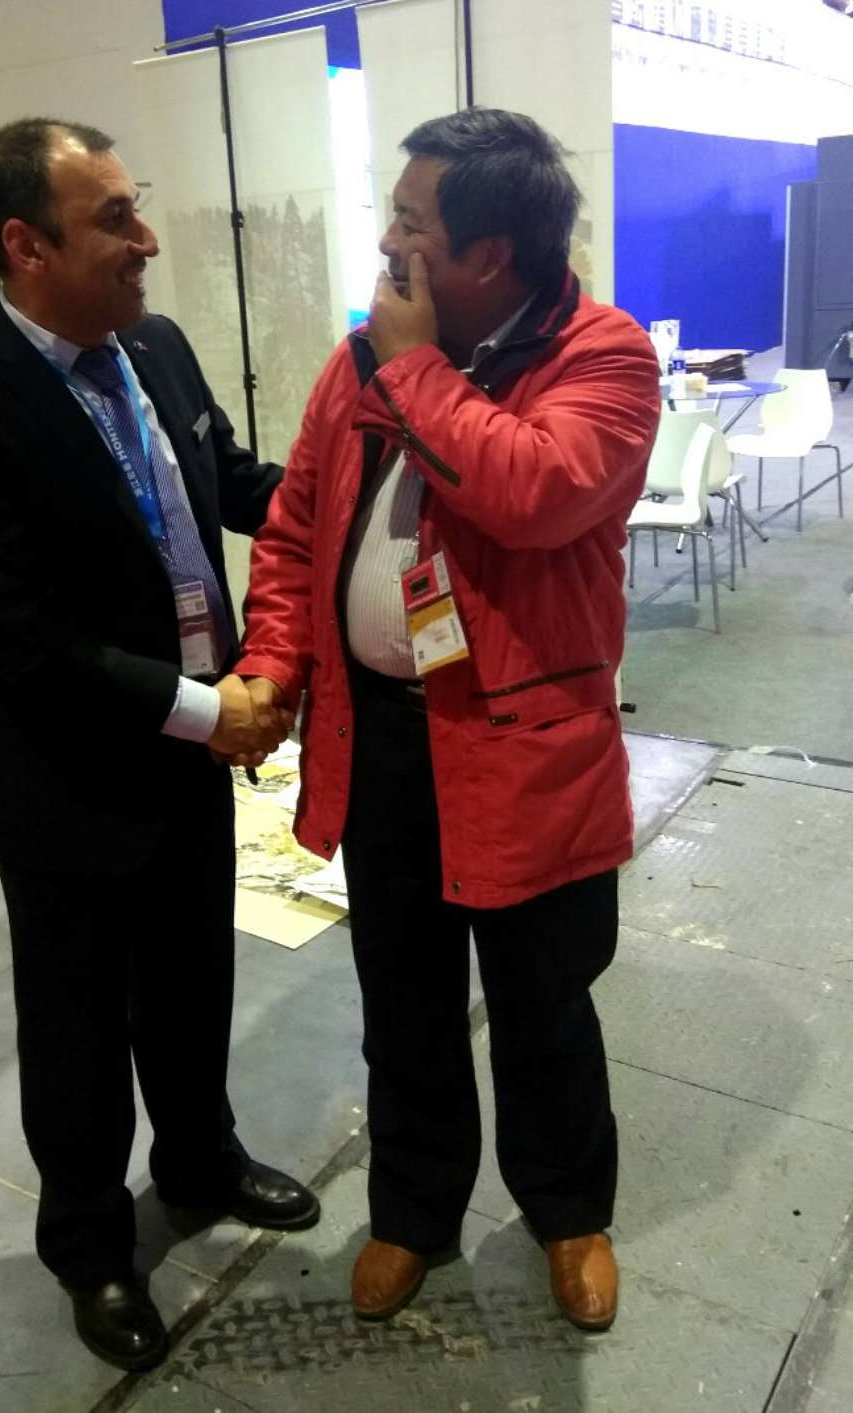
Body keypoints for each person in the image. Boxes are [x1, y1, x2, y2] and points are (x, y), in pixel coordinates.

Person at [0, 118, 318, 1372]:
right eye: (115, 220)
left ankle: (200, 1162)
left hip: (189, 753)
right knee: (76, 1032)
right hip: (70, 781)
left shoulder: (156, 346)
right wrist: (208, 709)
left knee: (192, 987)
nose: (146, 241)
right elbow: (23, 639)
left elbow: (230, 482)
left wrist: (360, 493)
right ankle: (89, 1247)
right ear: (26, 246)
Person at [233, 108, 660, 1331]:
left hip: (527, 753)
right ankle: (413, 1213)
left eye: (412, 224)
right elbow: (297, 526)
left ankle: (568, 1212)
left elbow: (536, 492)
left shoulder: (603, 358)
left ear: (489, 256)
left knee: (544, 1005)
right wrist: (273, 663)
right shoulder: (359, 360)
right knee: (404, 1001)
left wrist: (413, 370)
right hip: (383, 740)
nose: (387, 242)